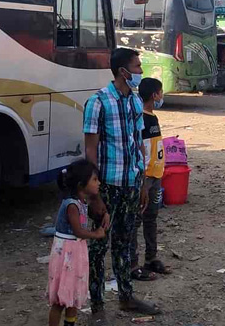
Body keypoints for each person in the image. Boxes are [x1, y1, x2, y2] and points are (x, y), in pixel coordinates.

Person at [83, 48, 160, 320]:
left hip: (130, 185)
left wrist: (141, 185)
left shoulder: (135, 103)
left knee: (124, 243)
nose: (141, 72)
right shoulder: (98, 103)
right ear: (123, 71)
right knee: (99, 247)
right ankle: (98, 307)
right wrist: (94, 195)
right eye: (137, 67)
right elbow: (90, 151)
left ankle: (126, 297)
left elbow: (137, 145)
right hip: (107, 188)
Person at [47, 160, 106, 326]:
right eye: (94, 180)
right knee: (60, 299)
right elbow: (78, 231)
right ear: (81, 185)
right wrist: (96, 234)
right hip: (67, 255)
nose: (98, 183)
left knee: (71, 295)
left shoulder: (81, 203)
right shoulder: (72, 205)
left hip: (74, 253)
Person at [130, 77, 170, 281]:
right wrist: (143, 178)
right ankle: (132, 264)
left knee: (151, 217)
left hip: (156, 176)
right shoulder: (140, 119)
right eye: (161, 92)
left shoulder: (153, 118)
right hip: (145, 178)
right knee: (137, 219)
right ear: (154, 95)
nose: (162, 96)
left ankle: (151, 258)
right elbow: (140, 150)